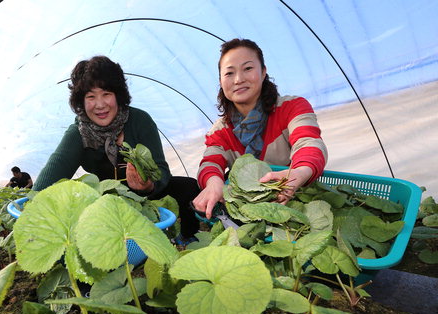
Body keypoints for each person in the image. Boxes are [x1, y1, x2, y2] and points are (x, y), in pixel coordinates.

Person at [33, 55, 200, 241]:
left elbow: (161, 169)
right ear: (81, 101)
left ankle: (187, 239)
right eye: (91, 96)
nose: (100, 104)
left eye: (106, 94)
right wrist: (32, 206)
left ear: (118, 96)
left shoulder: (140, 121)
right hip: (106, 202)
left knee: (188, 187)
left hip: (144, 197)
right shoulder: (79, 133)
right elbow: (56, 166)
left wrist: (148, 186)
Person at [193, 38, 328, 219]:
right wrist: (214, 184)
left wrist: (298, 174)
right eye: (229, 73)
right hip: (249, 213)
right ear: (221, 81)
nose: (239, 79)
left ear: (263, 72)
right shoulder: (220, 131)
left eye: (248, 68)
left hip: (297, 201)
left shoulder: (292, 107)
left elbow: (308, 143)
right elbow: (211, 163)